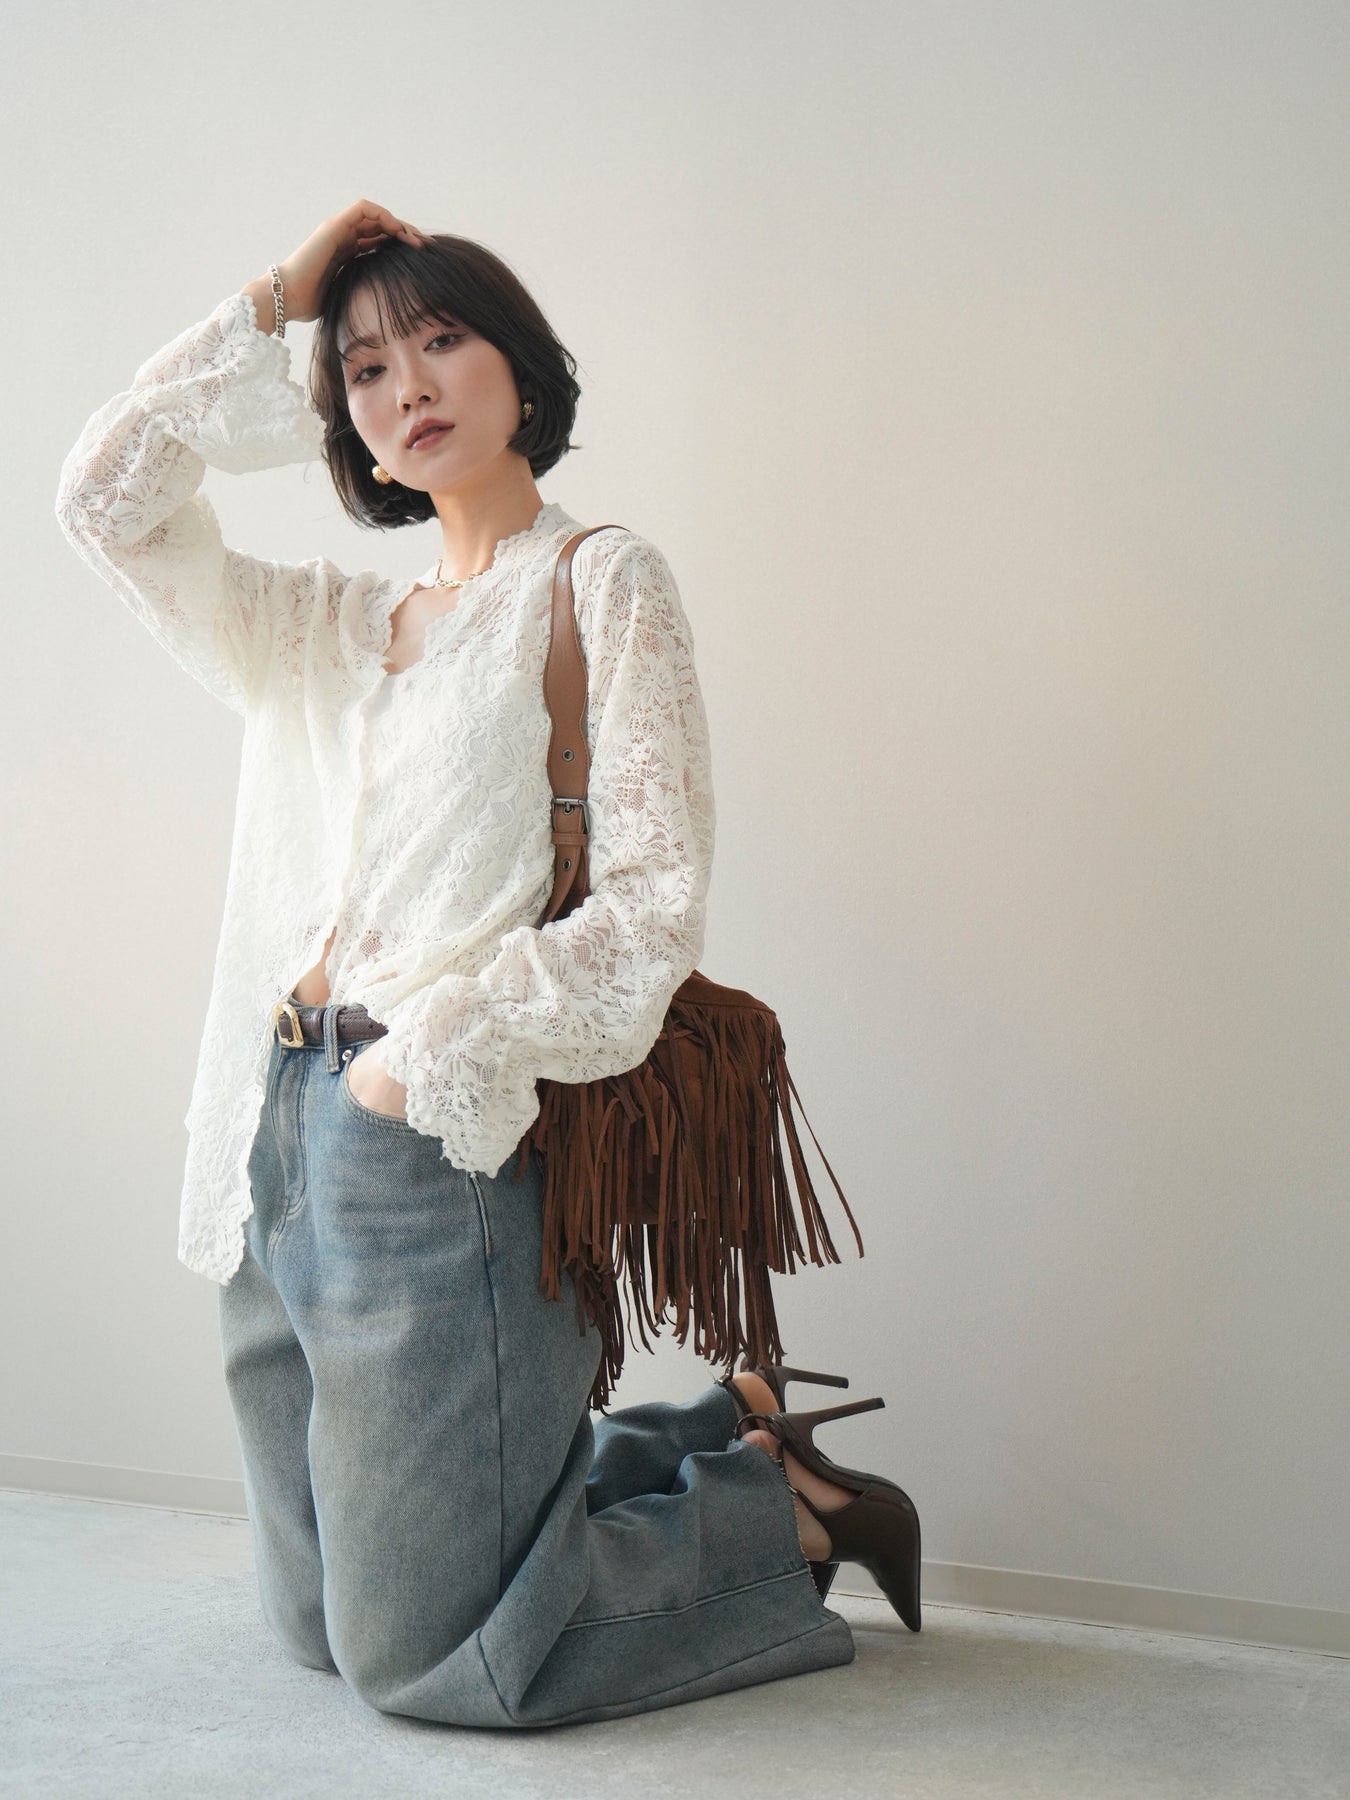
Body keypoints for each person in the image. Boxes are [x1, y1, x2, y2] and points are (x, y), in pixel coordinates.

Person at [54, 198, 920, 1727]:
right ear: (345, 424)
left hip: (433, 1130)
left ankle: (779, 1516)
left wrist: (422, 1059)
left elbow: (649, 906)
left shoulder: (596, 581)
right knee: (317, 1625)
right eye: (365, 368)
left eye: (441, 340)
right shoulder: (317, 624)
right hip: (265, 1121)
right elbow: (104, 500)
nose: (407, 385)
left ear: (519, 366)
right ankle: (707, 1436)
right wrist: (277, 299)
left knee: (422, 1657)